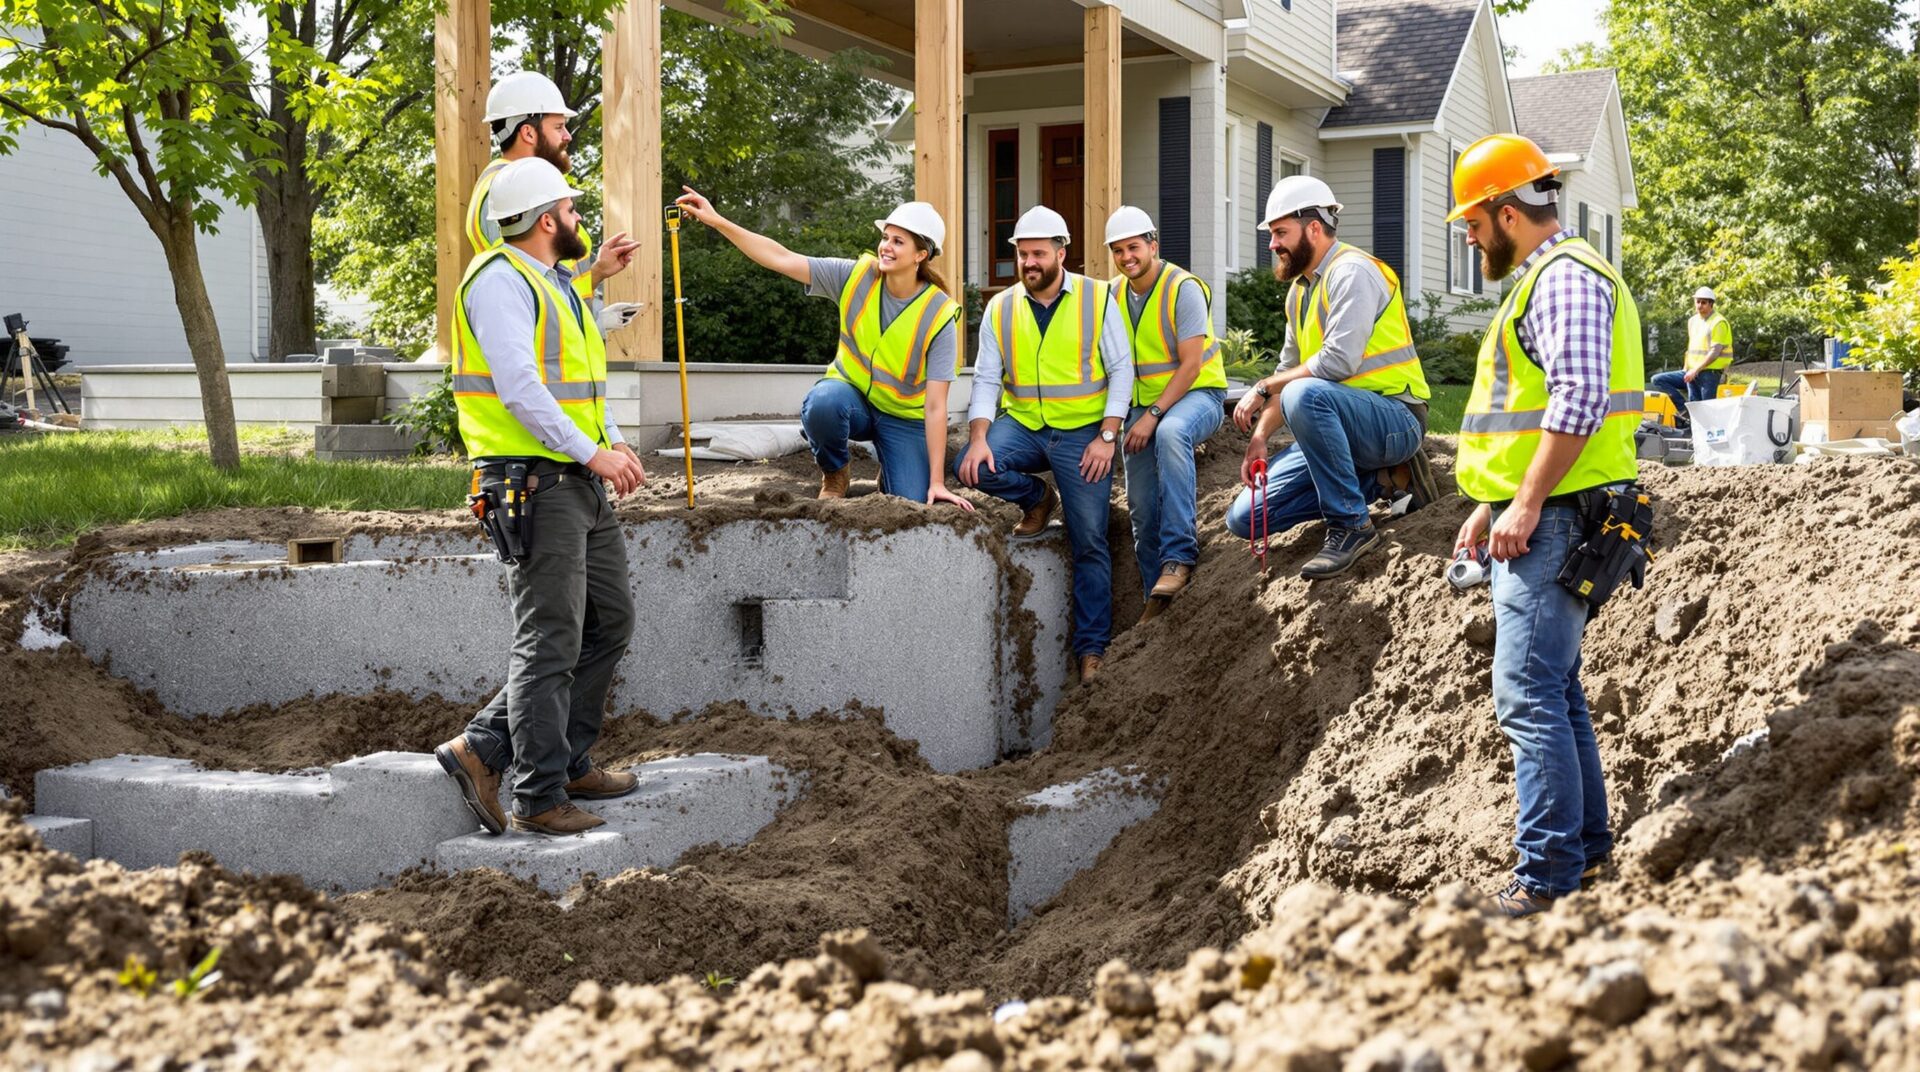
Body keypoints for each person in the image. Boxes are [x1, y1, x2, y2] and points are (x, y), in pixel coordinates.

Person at [1446, 133, 1646, 917]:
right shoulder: (1553, 278)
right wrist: (1494, 497)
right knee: (1554, 690)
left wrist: (1525, 504)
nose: (1468, 235)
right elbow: (1534, 416)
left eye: (1472, 220)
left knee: (1528, 694)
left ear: (1505, 212)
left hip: (1560, 516)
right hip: (1557, 509)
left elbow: (1577, 400)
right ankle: (1584, 855)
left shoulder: (1562, 280)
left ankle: (1547, 878)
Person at [435, 158, 649, 837]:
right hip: (532, 479)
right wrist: (592, 454)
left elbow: (580, 385)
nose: (580, 219)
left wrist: (610, 443)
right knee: (551, 638)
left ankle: (525, 753)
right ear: (546, 219)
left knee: (607, 623)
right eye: (572, 209)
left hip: (576, 478)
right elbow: (522, 389)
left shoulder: (552, 283)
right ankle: (536, 790)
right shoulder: (498, 281)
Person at [672, 188, 971, 508]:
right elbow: (781, 257)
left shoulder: (939, 315)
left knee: (909, 500)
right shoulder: (856, 277)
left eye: (898, 242)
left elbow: (937, 407)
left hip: (902, 418)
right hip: (851, 400)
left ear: (921, 254)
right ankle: (835, 473)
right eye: (886, 237)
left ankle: (894, 474)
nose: (885, 247)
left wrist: (937, 482)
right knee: (822, 404)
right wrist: (718, 222)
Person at [1224, 176, 1439, 579]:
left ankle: (1352, 526)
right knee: (1243, 517)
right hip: (1341, 426)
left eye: (1280, 233)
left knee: (1304, 395)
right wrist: (1260, 438)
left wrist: (1264, 388)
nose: (1273, 245)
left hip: (1395, 420)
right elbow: (1286, 375)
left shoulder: (1352, 272)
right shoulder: (1300, 293)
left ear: (1315, 228)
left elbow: (1336, 363)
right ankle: (1383, 479)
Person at [956, 206, 1133, 683]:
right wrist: (978, 438)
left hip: (1083, 436)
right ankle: (1038, 497)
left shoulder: (1097, 298)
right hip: (1026, 427)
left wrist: (1107, 437)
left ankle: (1091, 649)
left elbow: (1122, 371)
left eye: (1037, 253)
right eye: (1021, 254)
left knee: (1090, 539)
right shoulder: (1002, 306)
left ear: (1061, 252)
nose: (1029, 262)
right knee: (973, 469)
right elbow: (988, 378)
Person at [1104, 206, 1227, 614]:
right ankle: (1152, 599)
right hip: (1142, 408)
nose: (1126, 257)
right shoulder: (1113, 295)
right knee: (1140, 504)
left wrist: (1152, 415)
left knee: (1172, 432)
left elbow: (1191, 366)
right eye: (1118, 251)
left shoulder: (1182, 288)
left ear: (1153, 246)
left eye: (1134, 247)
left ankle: (1179, 555)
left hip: (1198, 397)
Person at [470, 71, 639, 321]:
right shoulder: (506, 190)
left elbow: (544, 280)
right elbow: (523, 286)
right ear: (528, 133)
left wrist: (597, 274)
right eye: (559, 127)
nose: (567, 136)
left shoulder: (521, 186)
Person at [1649, 287, 1732, 420]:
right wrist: (1686, 368)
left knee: (1706, 411)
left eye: (1704, 302)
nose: (1699, 305)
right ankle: (1684, 409)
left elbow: (1715, 352)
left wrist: (1696, 370)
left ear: (1711, 304)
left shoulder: (1718, 322)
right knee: (1658, 380)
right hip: (1692, 372)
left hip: (1709, 374)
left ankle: (1707, 437)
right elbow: (1691, 348)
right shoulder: (1693, 321)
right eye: (1697, 302)